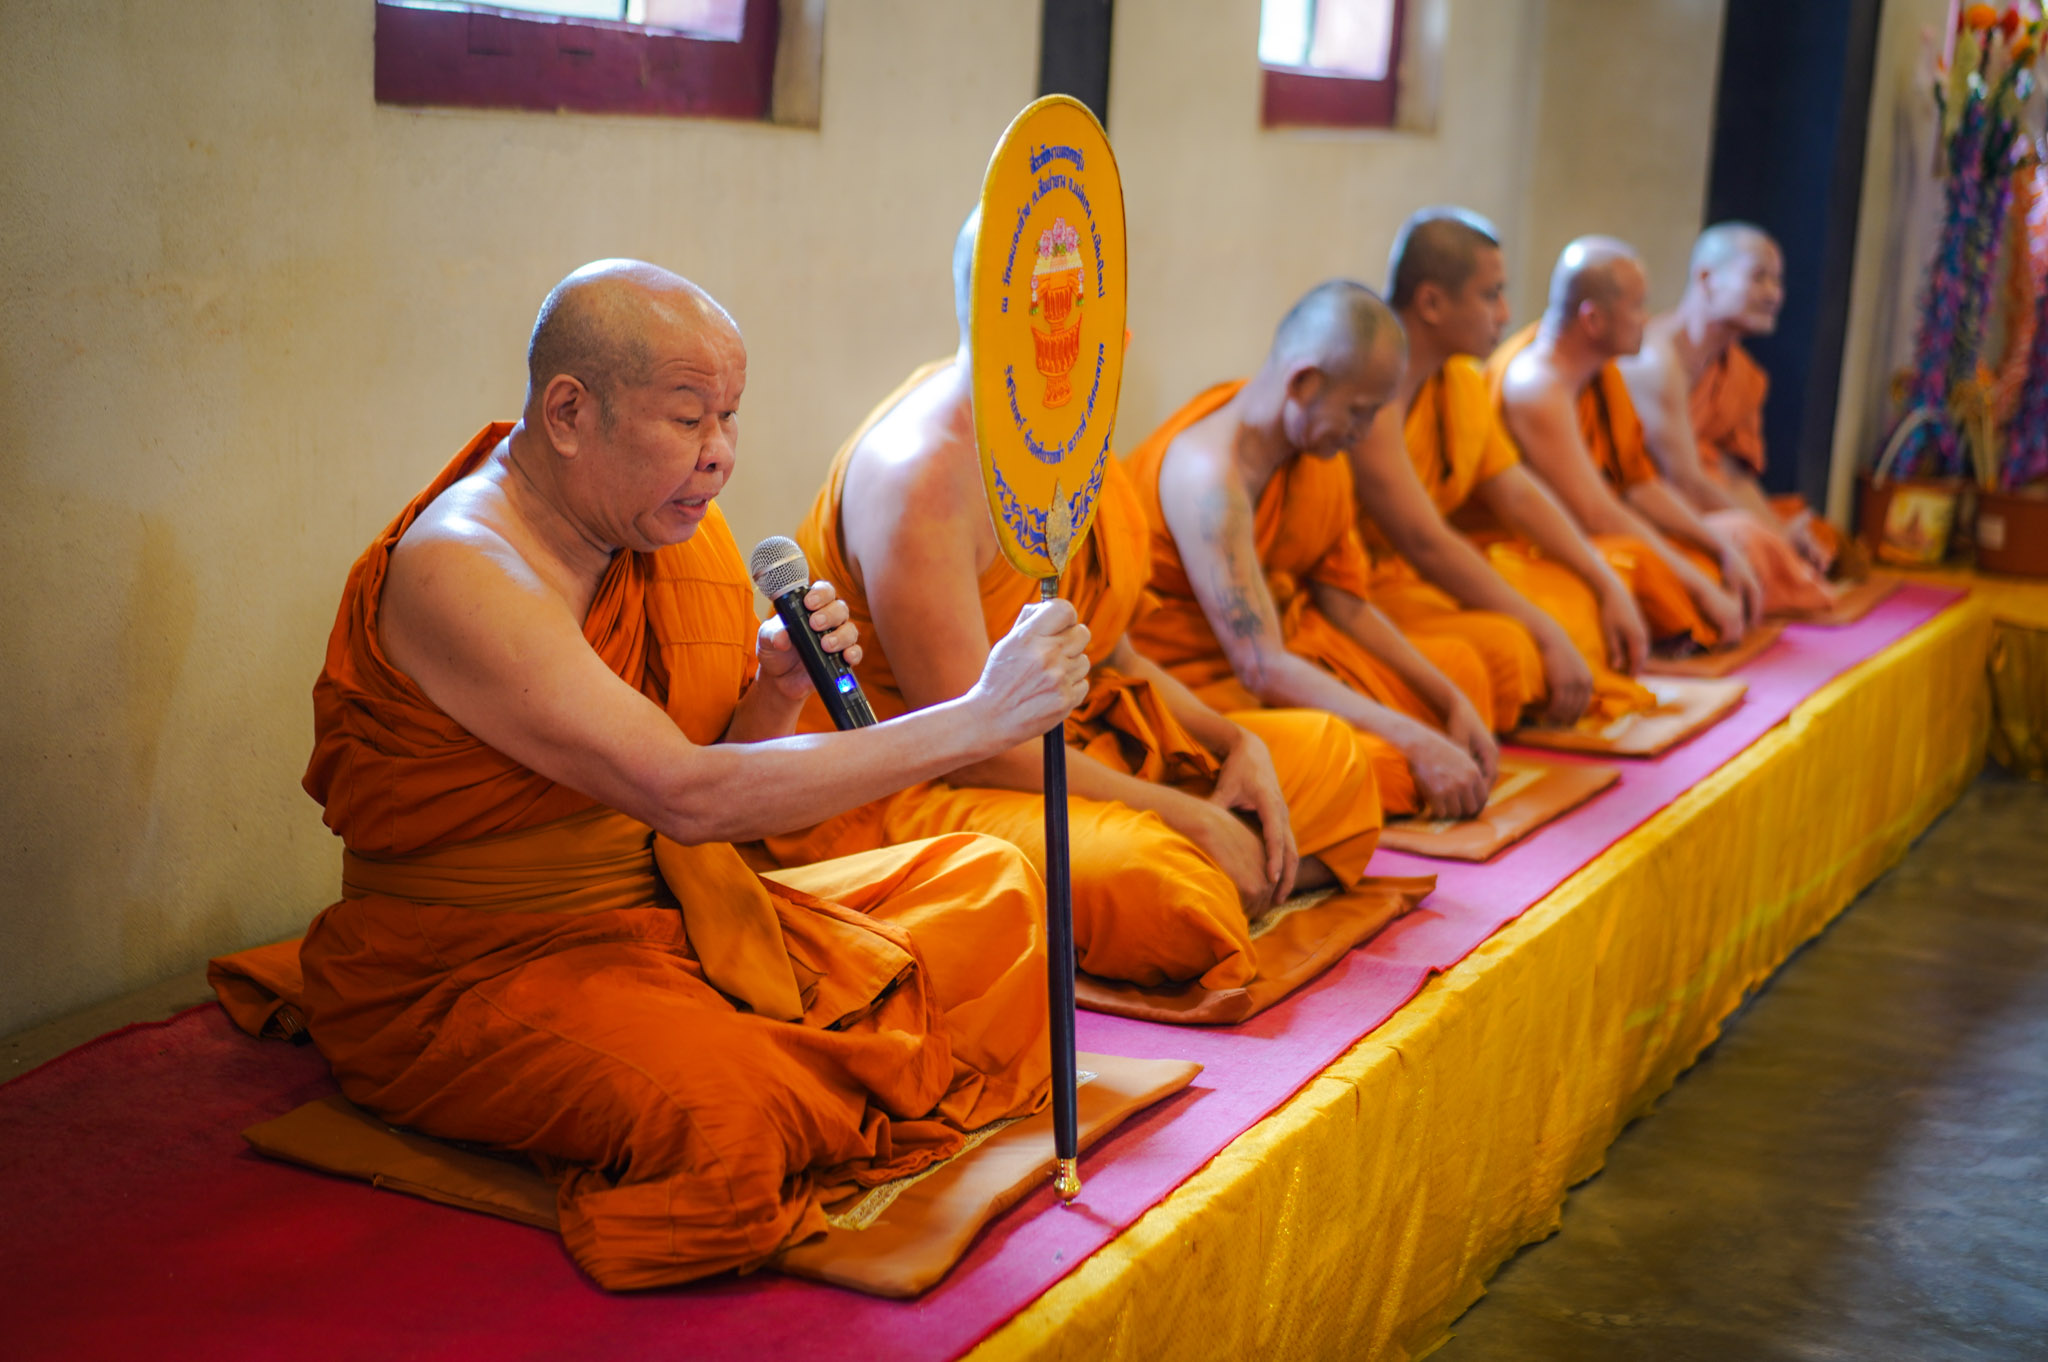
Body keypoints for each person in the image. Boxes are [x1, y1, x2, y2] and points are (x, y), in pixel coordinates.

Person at [293, 259, 1094, 1290]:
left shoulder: (663, 530)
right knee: (728, 1120)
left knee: (994, 889)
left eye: (729, 417)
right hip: (477, 962)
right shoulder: (465, 566)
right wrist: (977, 720)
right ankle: (800, 1076)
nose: (719, 452)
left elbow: (705, 787)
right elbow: (681, 793)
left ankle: (808, 1072)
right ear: (569, 412)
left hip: (667, 903)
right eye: (687, 419)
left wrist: (775, 692)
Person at [763, 212, 1386, 999]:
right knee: (1165, 886)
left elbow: (1110, 646)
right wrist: (1186, 814)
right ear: (998, 320)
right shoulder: (920, 477)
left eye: (1097, 313)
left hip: (1069, 735)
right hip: (924, 783)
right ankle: (1205, 877)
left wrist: (1234, 742)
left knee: (1337, 763)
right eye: (1065, 315)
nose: (1106, 342)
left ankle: (1220, 870)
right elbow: (973, 742)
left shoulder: (1060, 432)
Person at [1125, 280, 1498, 820]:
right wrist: (1417, 741)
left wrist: (1447, 699)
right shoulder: (1208, 480)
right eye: (1358, 412)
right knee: (1369, 765)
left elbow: (1347, 603)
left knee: (1460, 678)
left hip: (1283, 654)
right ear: (1303, 382)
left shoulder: (1315, 454)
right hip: (1190, 688)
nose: (1363, 434)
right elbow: (1261, 666)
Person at [1351, 207, 1657, 724]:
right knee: (1512, 648)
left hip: (1419, 584)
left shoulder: (1459, 382)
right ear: (1431, 303)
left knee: (1583, 595)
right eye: (1490, 295)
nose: (1505, 313)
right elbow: (1425, 542)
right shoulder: (1367, 397)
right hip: (1361, 596)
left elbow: (1516, 494)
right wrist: (1544, 630)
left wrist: (1601, 579)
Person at [1487, 237, 1763, 650]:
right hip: (1525, 549)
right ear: (1593, 319)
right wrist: (1700, 586)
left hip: (1590, 538)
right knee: (1651, 570)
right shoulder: (1538, 386)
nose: (1646, 319)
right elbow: (1597, 515)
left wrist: (1720, 548)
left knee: (1722, 548)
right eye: (1636, 306)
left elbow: (1639, 484)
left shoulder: (1601, 376)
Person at [1618, 221, 1841, 612]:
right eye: (1758, 277)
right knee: (1748, 538)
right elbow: (1684, 481)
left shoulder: (1738, 372)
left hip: (1695, 498)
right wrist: (1776, 541)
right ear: (1707, 279)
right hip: (1643, 505)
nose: (1774, 294)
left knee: (1807, 529)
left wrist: (1783, 531)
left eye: (1777, 281)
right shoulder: (1657, 359)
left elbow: (1734, 476)